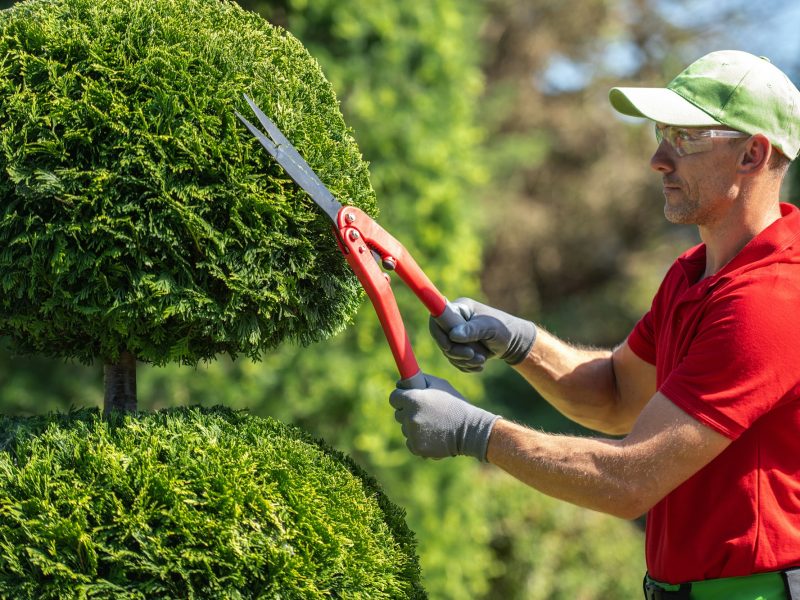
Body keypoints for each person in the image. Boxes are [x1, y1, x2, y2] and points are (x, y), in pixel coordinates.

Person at [389, 50, 800, 599]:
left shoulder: (771, 299)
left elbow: (630, 480)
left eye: (686, 136)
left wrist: (476, 432)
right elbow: (614, 397)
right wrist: (518, 341)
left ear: (753, 154)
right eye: (661, 131)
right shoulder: (692, 275)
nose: (658, 157)